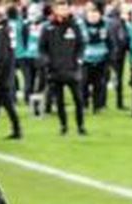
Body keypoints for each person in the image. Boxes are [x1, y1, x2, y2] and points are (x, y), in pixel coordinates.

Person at [40, 0, 88, 135]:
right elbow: (42, 48)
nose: (63, 11)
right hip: (55, 71)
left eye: (65, 8)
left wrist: (78, 60)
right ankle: (64, 126)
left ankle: (81, 126)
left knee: (78, 100)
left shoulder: (74, 25)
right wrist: (47, 61)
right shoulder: (48, 27)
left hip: (72, 69)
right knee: (59, 101)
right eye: (60, 8)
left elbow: (81, 44)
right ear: (55, 10)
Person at [0, 6, 22, 140]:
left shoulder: (1, 32)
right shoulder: (5, 30)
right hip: (6, 73)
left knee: (6, 104)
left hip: (3, 75)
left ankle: (17, 130)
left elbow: (2, 55)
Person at [82, 3, 112, 113]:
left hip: (102, 59)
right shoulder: (81, 26)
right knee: (83, 83)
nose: (93, 16)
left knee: (100, 83)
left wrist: (110, 56)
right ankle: (84, 105)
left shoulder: (106, 25)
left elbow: (110, 42)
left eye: (95, 14)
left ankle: (98, 106)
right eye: (91, 14)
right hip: (85, 60)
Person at [107, 1, 131, 111]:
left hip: (110, 53)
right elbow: (122, 38)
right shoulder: (119, 22)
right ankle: (119, 102)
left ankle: (98, 102)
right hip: (118, 54)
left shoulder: (109, 20)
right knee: (118, 78)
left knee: (104, 78)